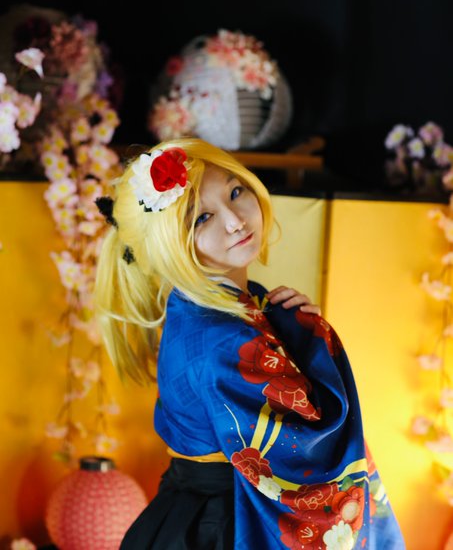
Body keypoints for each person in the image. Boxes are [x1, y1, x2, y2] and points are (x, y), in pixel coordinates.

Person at [94, 138, 405, 550]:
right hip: (225, 523)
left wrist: (289, 329)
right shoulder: (224, 339)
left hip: (190, 512)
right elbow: (305, 449)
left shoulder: (208, 306)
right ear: (169, 245)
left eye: (235, 191)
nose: (235, 220)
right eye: (202, 218)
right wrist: (311, 338)